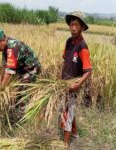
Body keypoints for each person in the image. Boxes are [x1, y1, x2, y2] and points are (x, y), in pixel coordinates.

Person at [60, 11, 92, 147]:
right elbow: (65, 60)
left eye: (76, 25)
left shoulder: (82, 47)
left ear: (82, 27)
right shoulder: (68, 42)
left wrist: (77, 84)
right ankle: (75, 133)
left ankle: (65, 144)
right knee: (67, 109)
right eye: (71, 24)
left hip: (73, 86)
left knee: (68, 113)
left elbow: (88, 71)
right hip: (64, 84)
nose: (73, 28)